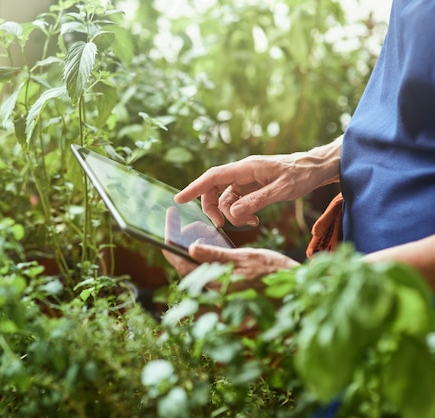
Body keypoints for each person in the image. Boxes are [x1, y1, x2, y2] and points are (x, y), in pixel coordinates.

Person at [162, 0, 435, 292]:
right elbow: (413, 112)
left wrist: (307, 285)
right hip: (357, 281)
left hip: (410, 302)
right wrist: (313, 163)